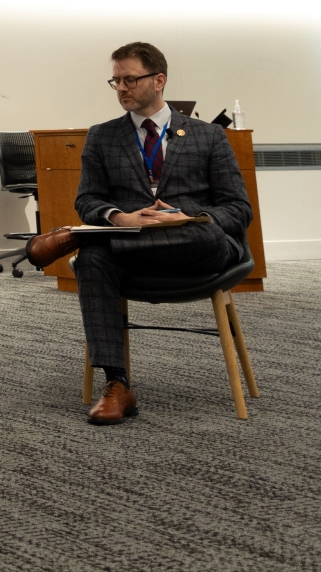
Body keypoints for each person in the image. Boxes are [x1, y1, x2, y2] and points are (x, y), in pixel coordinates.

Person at [25, 41, 253, 425]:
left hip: (197, 248)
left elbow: (238, 209)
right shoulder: (103, 136)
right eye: (115, 81)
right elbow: (89, 201)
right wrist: (121, 218)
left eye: (130, 79)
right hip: (129, 241)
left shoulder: (208, 136)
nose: (122, 88)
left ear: (159, 80)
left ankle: (87, 238)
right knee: (93, 261)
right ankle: (117, 384)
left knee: (203, 235)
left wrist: (183, 217)